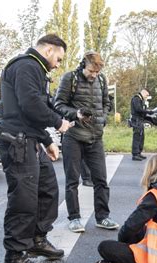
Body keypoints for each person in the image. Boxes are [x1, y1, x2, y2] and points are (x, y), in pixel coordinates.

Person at [0, 34, 71, 263]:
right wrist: (58, 123)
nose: (58, 64)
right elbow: (30, 105)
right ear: (49, 50)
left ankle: (37, 239)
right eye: (58, 58)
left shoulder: (35, 69)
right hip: (17, 141)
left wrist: (47, 140)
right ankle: (15, 256)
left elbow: (32, 109)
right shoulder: (27, 66)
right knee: (23, 200)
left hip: (31, 139)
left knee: (48, 190)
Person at [54, 51, 119, 233]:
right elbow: (58, 104)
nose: (94, 75)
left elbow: (106, 103)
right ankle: (74, 218)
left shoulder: (102, 80)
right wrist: (76, 114)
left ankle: (102, 217)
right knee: (72, 181)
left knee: (101, 180)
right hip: (73, 136)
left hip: (95, 137)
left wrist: (103, 117)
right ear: (84, 65)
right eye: (91, 71)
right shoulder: (70, 78)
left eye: (97, 72)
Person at [130, 89, 153, 161]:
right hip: (136, 121)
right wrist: (148, 112)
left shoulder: (140, 99)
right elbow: (138, 109)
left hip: (140, 120)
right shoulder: (136, 99)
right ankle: (135, 154)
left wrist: (147, 112)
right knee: (137, 137)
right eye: (146, 95)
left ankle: (139, 152)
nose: (147, 97)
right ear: (143, 93)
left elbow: (141, 110)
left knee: (141, 137)